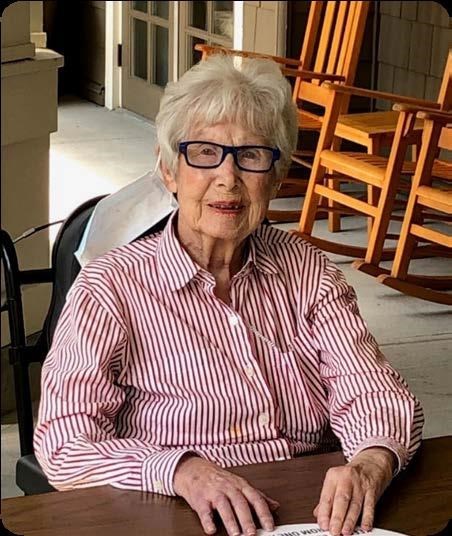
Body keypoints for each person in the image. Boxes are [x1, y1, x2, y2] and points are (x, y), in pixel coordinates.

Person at [34, 55, 424, 536]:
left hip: (312, 512)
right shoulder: (110, 288)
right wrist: (180, 470)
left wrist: (370, 462)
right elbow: (65, 443)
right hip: (178, 516)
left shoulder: (308, 271)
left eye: (252, 156)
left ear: (276, 177)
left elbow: (375, 392)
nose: (227, 177)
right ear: (169, 170)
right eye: (204, 152)